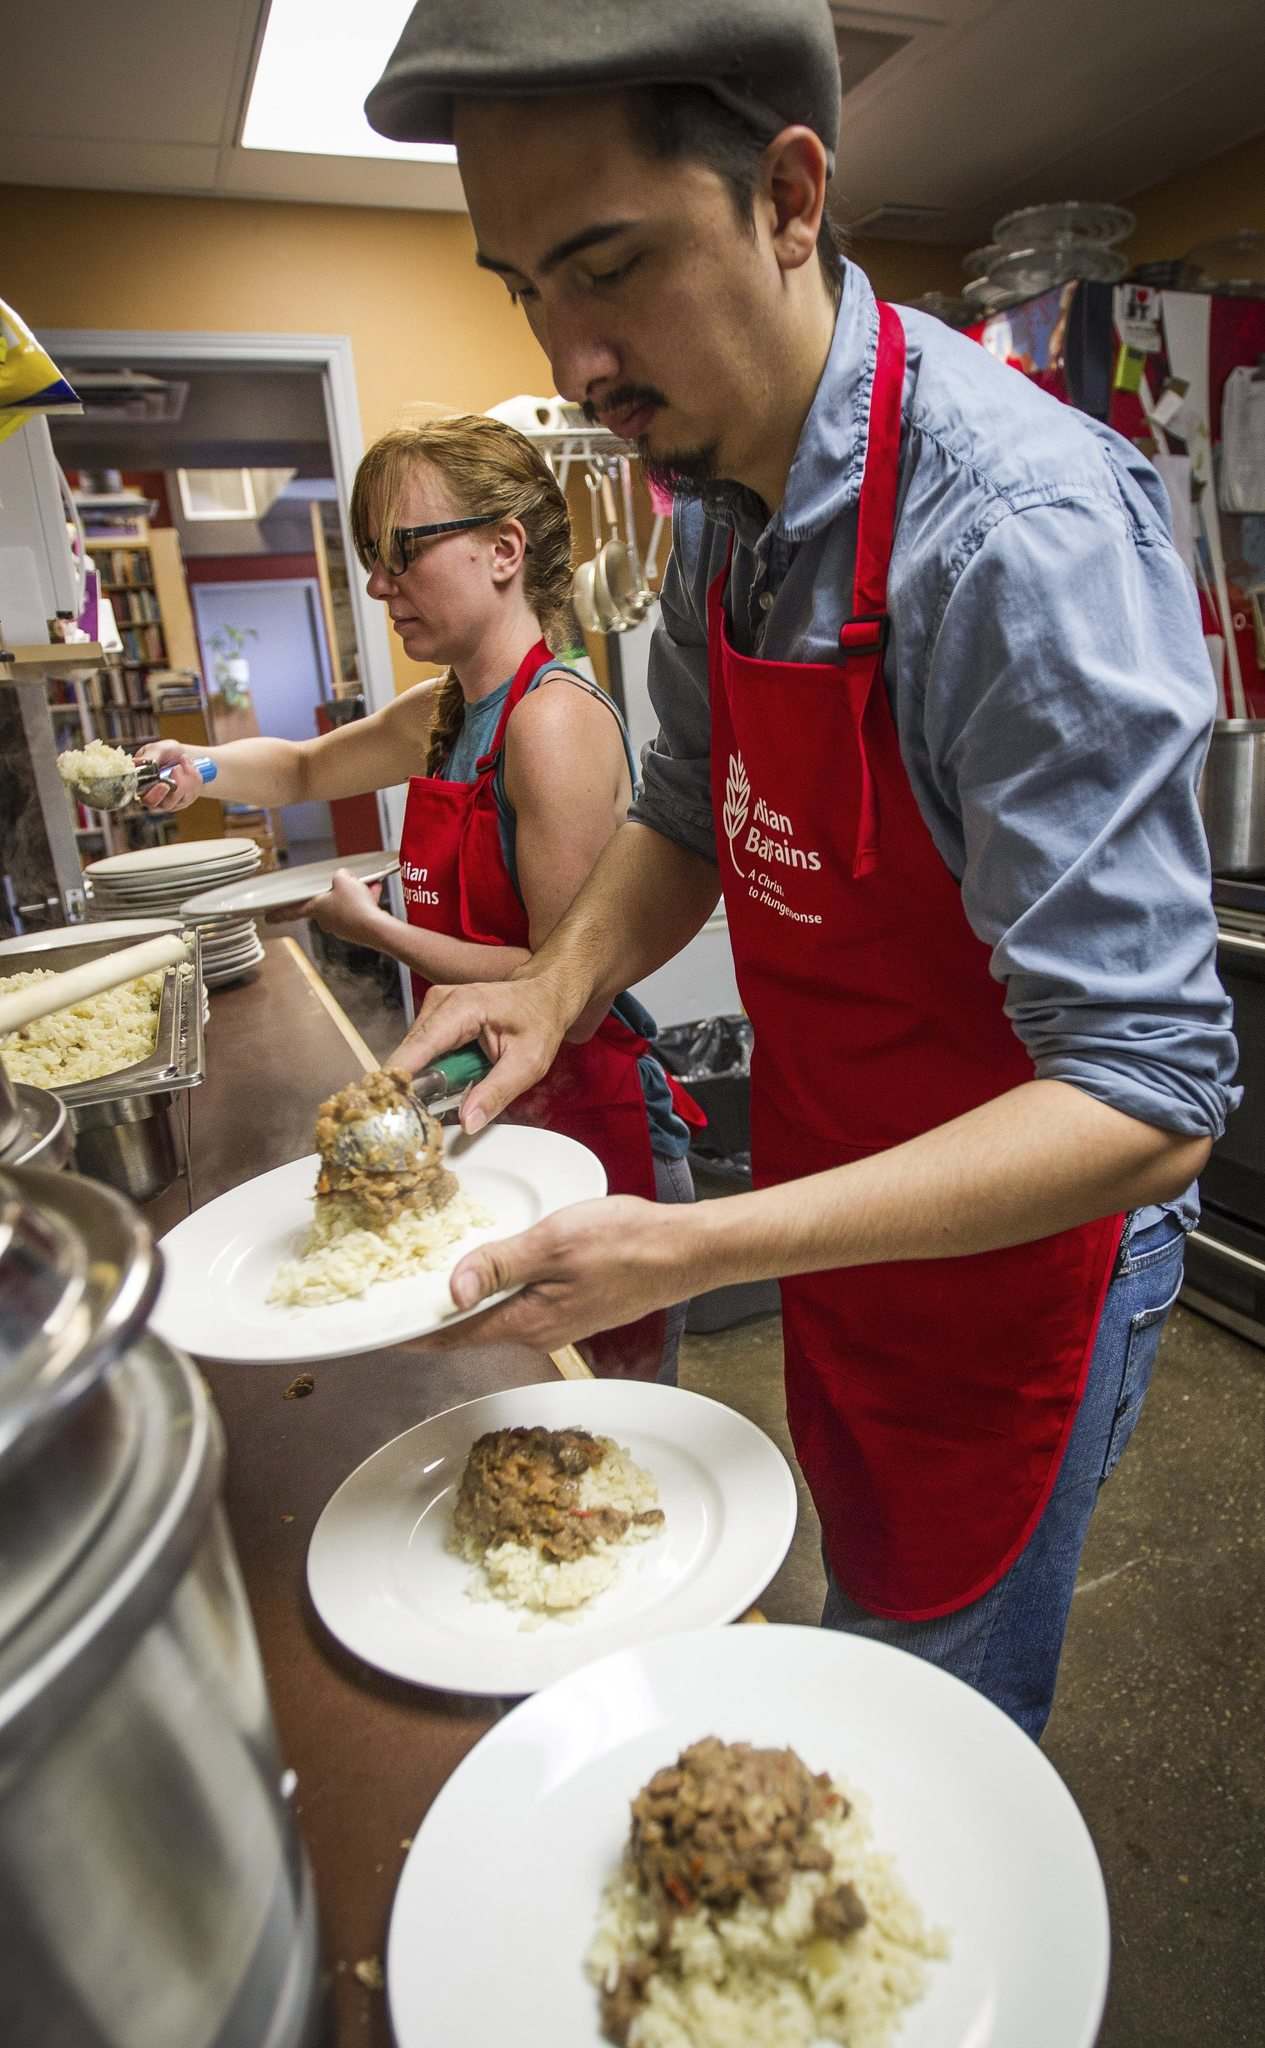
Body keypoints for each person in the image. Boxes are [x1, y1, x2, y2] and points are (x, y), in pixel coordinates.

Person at [362, 2, 1240, 1740]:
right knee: (867, 1618)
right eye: (525, 288)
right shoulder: (717, 508)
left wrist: (697, 1241)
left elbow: (1152, 1092)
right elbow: (688, 812)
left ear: (785, 196)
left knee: (922, 1714)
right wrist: (554, 982)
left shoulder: (1016, 538)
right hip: (852, 1212)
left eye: (609, 266)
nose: (575, 356)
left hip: (1027, 1259)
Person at [138, 413, 700, 1380]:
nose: (377, 584)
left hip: (590, 1129)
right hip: (503, 1117)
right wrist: (201, 765)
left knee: (598, 1412)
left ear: (503, 551)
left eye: (402, 551)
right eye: (372, 556)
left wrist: (377, 931)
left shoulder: (550, 723)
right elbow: (305, 767)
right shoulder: (446, 711)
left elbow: (564, 990)